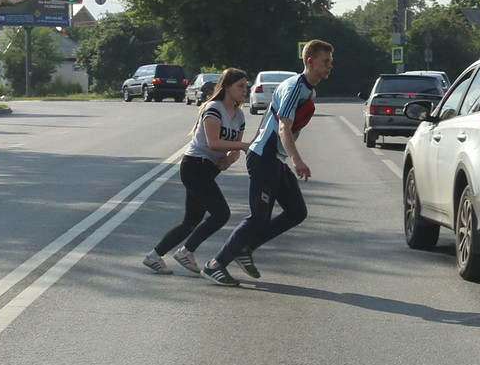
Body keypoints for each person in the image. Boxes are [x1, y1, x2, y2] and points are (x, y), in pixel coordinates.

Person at [201, 39, 335, 287]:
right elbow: (284, 126)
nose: (330, 66)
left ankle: (246, 249)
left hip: (275, 158)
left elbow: (276, 119)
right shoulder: (296, 87)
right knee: (257, 218)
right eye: (326, 61)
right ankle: (216, 265)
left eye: (331, 61)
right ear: (310, 61)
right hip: (264, 157)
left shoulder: (308, 90)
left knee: (297, 212)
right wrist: (297, 159)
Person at [141, 68, 250, 275]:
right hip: (194, 166)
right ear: (227, 87)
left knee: (190, 221)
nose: (245, 90)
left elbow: (233, 148)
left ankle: (154, 256)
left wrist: (230, 158)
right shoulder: (214, 108)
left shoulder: (239, 114)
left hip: (208, 169)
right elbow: (213, 142)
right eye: (241, 86)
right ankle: (186, 251)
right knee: (221, 214)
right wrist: (242, 147)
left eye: (246, 86)